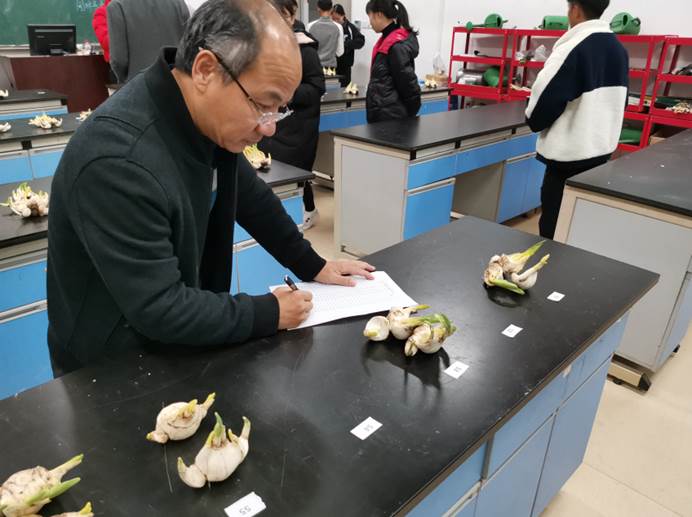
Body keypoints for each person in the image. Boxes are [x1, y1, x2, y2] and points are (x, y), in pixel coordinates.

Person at [47, 0, 375, 375]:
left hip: (174, 345)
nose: (269, 127)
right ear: (205, 70)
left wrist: (314, 265)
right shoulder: (117, 159)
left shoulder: (203, 120)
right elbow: (159, 307)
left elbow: (254, 201)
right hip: (110, 369)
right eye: (262, 104)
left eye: (279, 108)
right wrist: (269, 312)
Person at [526, 0, 628, 239]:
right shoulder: (618, 50)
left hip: (567, 163)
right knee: (579, 232)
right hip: (601, 158)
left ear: (575, 9)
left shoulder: (572, 49)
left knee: (553, 233)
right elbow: (618, 103)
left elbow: (538, 113)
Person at [259, 0, 325, 230]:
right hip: (273, 121)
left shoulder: (304, 49)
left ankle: (306, 212)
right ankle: (302, 211)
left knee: (294, 171)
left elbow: (317, 87)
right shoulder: (266, 45)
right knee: (274, 171)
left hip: (298, 124)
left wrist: (287, 94)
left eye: (284, 15)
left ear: (291, 16)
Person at [365, 0, 421, 123]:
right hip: (385, 113)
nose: (370, 22)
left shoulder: (395, 46)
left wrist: (410, 111)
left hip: (392, 116)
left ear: (379, 15)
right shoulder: (387, 41)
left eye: (370, 17)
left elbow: (407, 83)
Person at [107, 0, 189, 83]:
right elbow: (188, 49)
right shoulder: (179, 3)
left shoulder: (117, 7)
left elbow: (118, 60)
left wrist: (125, 81)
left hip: (139, 83)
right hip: (177, 81)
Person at [331, 4, 365, 87]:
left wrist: (346, 44)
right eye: (333, 19)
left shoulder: (350, 28)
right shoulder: (330, 27)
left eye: (338, 19)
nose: (336, 21)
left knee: (344, 88)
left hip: (345, 65)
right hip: (332, 64)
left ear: (343, 16)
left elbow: (360, 41)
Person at [307, 0, 344, 70]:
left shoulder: (310, 26)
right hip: (330, 68)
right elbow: (340, 52)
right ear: (332, 9)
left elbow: (308, 50)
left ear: (318, 8)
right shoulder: (338, 27)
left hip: (314, 67)